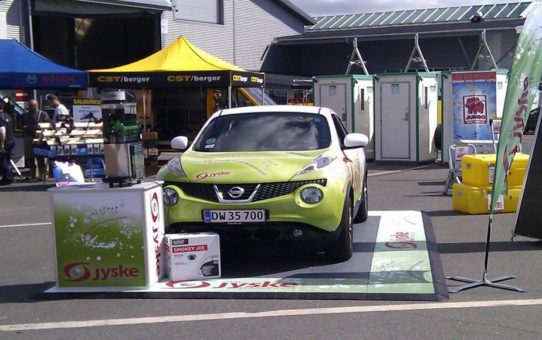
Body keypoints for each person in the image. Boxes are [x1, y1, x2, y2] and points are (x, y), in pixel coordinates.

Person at [22, 99, 51, 180]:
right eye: (30, 106)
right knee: (29, 157)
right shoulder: (26, 115)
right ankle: (32, 174)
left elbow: (49, 125)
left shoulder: (42, 114)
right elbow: (21, 124)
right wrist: (24, 127)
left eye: (33, 106)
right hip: (28, 137)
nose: (31, 108)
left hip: (39, 137)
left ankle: (42, 175)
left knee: (40, 156)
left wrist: (40, 127)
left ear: (37, 105)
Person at [0, 99, 15, 185]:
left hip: (5, 141)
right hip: (11, 140)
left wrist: (1, 144)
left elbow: (2, 131)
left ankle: (8, 178)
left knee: (2, 160)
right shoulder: (7, 115)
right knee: (6, 159)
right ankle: (7, 176)